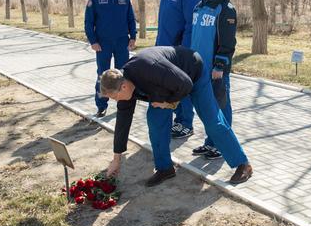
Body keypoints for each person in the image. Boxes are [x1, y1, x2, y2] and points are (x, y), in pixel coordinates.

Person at [100, 45, 253, 186]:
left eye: (114, 98)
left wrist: (168, 103)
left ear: (123, 87)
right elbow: (122, 123)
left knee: (212, 121)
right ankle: (165, 168)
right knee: (155, 123)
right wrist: (116, 159)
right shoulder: (124, 86)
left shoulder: (149, 67)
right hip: (165, 88)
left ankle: (243, 164)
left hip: (192, 72)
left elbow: (186, 84)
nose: (115, 101)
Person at [189, 0, 237, 161]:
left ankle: (222, 145)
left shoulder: (225, 9)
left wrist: (219, 66)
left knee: (221, 107)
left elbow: (228, 43)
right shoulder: (199, 6)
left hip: (216, 71)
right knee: (207, 109)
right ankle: (211, 142)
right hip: (199, 69)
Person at [156, 0, 202, 139]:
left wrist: (183, 51)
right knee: (171, 87)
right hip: (163, 48)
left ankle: (186, 123)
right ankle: (178, 120)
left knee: (182, 86)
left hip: (178, 51)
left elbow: (190, 25)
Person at [84, 0, 136, 117]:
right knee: (103, 74)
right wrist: (93, 41)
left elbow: (131, 19)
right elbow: (88, 22)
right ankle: (101, 105)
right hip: (103, 43)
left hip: (121, 42)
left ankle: (124, 102)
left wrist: (133, 36)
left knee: (123, 74)